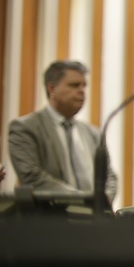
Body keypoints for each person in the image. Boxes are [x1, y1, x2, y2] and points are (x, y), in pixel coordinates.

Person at [8, 60, 117, 201]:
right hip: (51, 213)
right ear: (52, 88)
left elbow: (109, 176)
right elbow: (32, 176)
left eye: (84, 86)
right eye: (74, 85)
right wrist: (82, 201)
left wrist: (103, 200)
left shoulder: (93, 133)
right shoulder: (25, 128)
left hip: (94, 213)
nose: (82, 91)